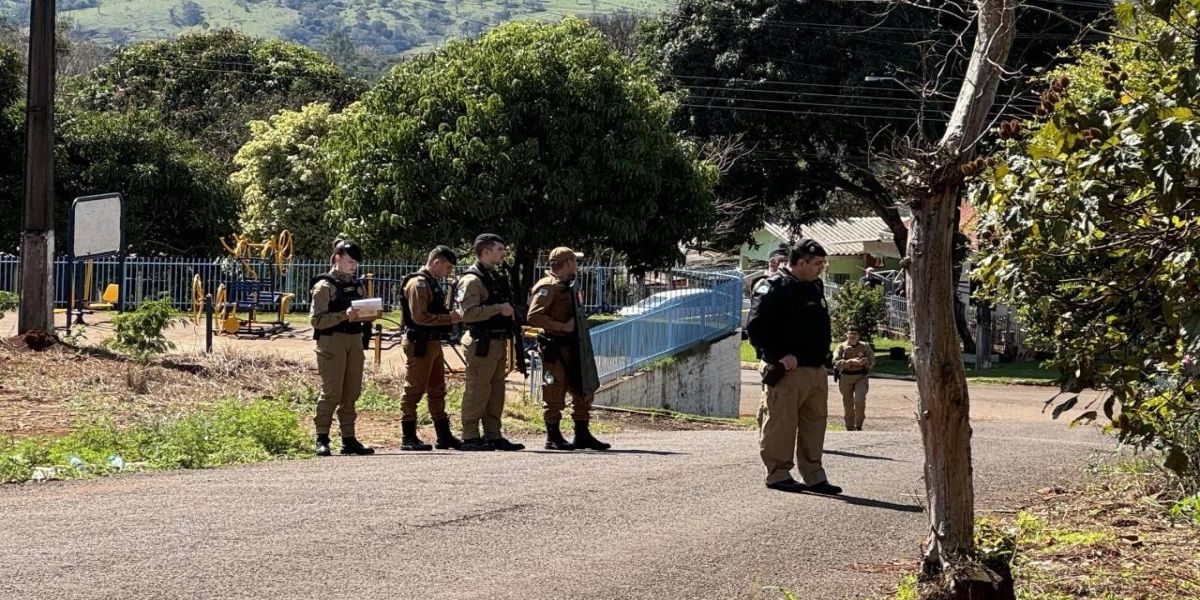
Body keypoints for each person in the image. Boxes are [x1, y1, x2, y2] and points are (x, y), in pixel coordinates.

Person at [745, 239, 842, 495]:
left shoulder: (814, 286)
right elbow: (756, 327)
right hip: (788, 370)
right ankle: (778, 474)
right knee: (781, 424)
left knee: (815, 424)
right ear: (800, 262)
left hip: (815, 368)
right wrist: (777, 356)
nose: (821, 268)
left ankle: (814, 476)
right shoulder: (773, 287)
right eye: (817, 263)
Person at [527, 246, 610, 451]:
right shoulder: (548, 286)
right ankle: (553, 436)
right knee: (554, 392)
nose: (577, 265)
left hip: (575, 348)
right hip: (556, 349)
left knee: (584, 389)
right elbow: (534, 316)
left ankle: (582, 434)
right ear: (567, 263)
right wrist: (562, 326)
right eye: (574, 261)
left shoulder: (569, 285)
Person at [454, 233, 524, 451]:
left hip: (498, 341)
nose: (503, 254)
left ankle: (493, 434)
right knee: (477, 390)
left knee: (496, 391)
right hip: (481, 343)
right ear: (485, 251)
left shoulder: (494, 275)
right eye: (499, 249)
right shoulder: (472, 280)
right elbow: (467, 314)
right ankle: (470, 435)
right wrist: (498, 309)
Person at [309, 238, 377, 457]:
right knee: (332, 392)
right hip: (332, 341)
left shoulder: (357, 284)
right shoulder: (324, 286)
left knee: (352, 391)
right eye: (349, 261)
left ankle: (349, 439)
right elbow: (316, 321)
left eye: (355, 262)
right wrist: (342, 316)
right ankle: (322, 437)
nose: (353, 265)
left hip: (354, 340)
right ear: (337, 258)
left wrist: (370, 314)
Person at [397, 245, 464, 451]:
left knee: (437, 389)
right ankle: (408, 436)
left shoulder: (431, 282)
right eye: (447, 267)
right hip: (420, 343)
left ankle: (443, 435)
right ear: (436, 262)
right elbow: (420, 317)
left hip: (432, 342)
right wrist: (450, 318)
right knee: (414, 389)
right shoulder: (418, 284)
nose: (448, 273)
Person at [833, 327, 875, 431]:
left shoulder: (865, 346)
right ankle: (849, 427)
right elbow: (835, 362)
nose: (852, 336)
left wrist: (865, 362)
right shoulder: (841, 347)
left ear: (858, 336)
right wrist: (850, 361)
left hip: (861, 377)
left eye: (855, 334)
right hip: (845, 378)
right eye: (850, 334)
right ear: (846, 335)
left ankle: (859, 425)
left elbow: (872, 360)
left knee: (859, 400)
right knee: (848, 403)